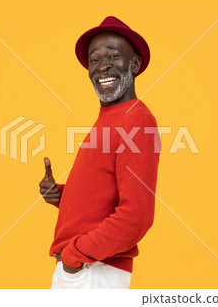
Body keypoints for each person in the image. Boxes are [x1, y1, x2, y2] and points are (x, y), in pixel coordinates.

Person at [39, 16, 160, 289]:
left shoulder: (136, 120)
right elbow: (102, 195)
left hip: (94, 268)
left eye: (114, 56)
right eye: (94, 60)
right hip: (86, 267)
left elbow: (136, 216)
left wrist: (75, 256)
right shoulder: (109, 117)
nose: (103, 66)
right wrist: (62, 194)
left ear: (135, 64)